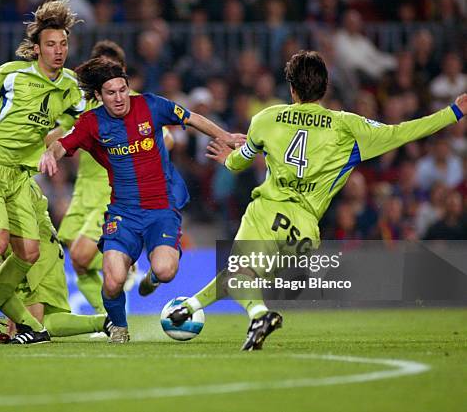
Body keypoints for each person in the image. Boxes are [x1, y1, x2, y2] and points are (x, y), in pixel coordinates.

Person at [167, 50, 467, 351]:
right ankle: (190, 307)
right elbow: (402, 132)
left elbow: (240, 161)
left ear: (291, 88)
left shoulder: (266, 118)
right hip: (305, 230)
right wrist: (452, 112)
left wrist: (227, 160)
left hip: (268, 209)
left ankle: (256, 315)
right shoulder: (346, 126)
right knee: (243, 274)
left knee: (241, 275)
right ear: (325, 88)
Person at [39, 58, 244, 343]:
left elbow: (192, 118)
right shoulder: (91, 122)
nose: (120, 97)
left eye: (123, 90)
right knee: (112, 280)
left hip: (161, 210)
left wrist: (226, 136)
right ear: (99, 96)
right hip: (123, 213)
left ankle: (154, 279)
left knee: (165, 270)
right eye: (111, 93)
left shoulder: (151, 105)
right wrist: (50, 154)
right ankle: (119, 328)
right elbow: (63, 144)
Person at [0, 0, 86, 344]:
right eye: (51, 45)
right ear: (37, 49)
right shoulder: (13, 74)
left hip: (18, 178)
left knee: (29, 252)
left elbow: (80, 122)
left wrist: (52, 145)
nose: (58, 51)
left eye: (63, 44)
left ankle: (10, 317)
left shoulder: (71, 85)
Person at [0, 127, 113, 343]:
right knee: (43, 323)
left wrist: (68, 123)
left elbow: (45, 141)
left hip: (38, 248)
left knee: (30, 324)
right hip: (24, 251)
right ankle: (106, 322)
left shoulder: (9, 169)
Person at [55, 40, 174, 318]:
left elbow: (166, 138)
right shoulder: (84, 104)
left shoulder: (130, 102)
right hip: (82, 191)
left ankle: (126, 260)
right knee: (79, 261)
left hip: (113, 192)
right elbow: (62, 135)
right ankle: (107, 316)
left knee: (84, 254)